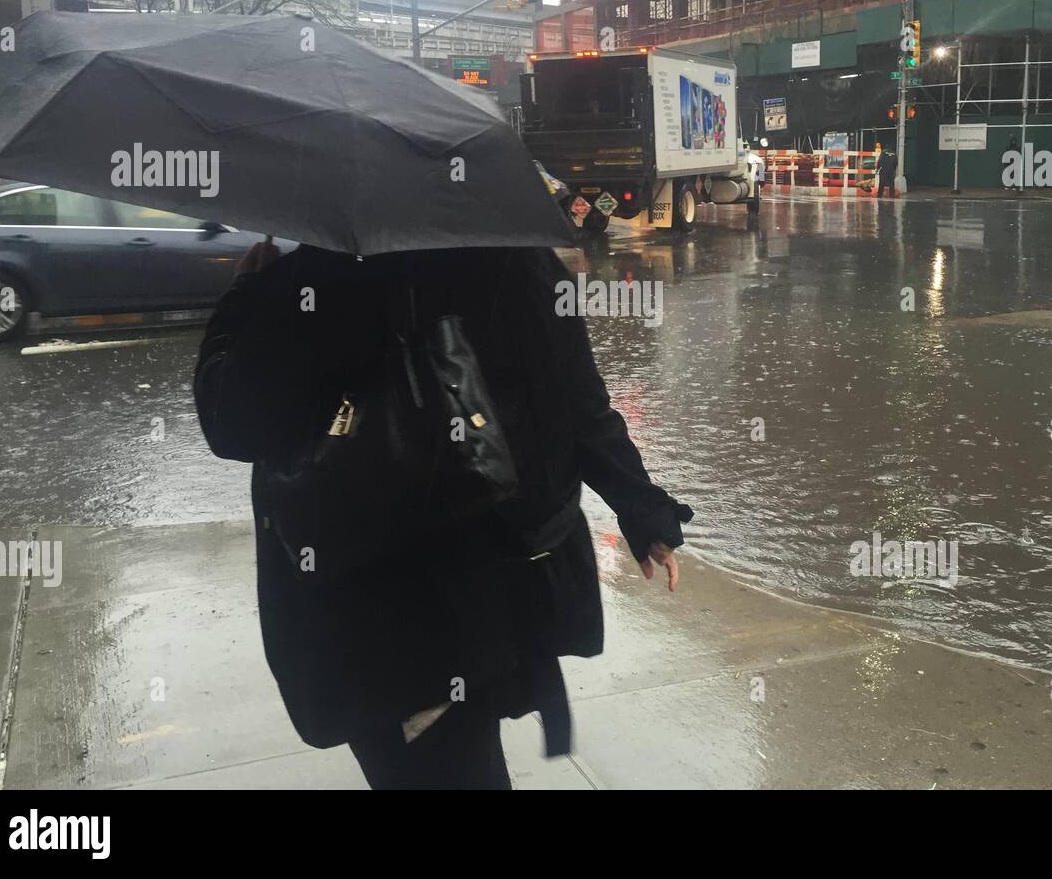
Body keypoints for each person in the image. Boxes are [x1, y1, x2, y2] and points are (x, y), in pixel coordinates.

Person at [193, 240, 690, 789]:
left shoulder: (319, 273)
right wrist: (644, 509)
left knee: (432, 766)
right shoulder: (513, 253)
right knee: (462, 757)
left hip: (379, 609)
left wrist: (246, 294)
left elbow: (233, 421)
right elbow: (577, 400)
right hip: (497, 591)